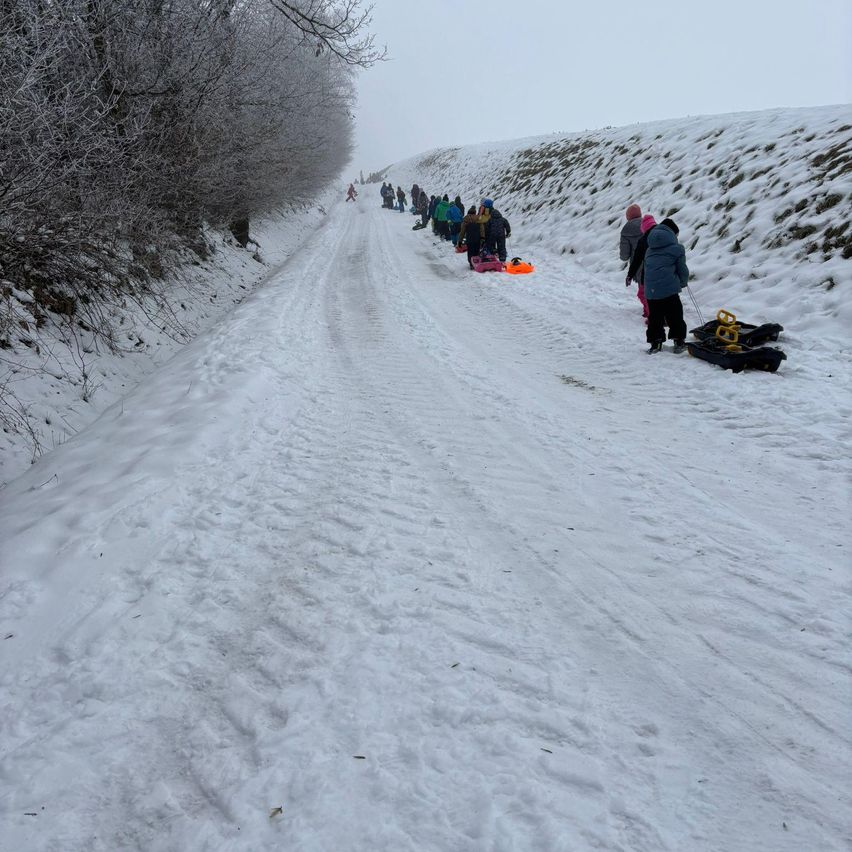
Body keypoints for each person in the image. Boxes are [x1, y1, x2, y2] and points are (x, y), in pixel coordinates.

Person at [644, 218, 689, 353]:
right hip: (669, 289)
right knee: (675, 315)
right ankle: (679, 341)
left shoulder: (649, 250)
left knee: (655, 318)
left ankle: (655, 343)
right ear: (672, 234)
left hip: (651, 291)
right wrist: (682, 282)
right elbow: (682, 269)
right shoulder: (677, 249)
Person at [626, 214, 657, 319]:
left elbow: (637, 260)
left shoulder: (644, 240)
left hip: (649, 272)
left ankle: (653, 316)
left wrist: (630, 275)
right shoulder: (663, 235)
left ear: (644, 227)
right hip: (667, 271)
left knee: (643, 294)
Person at [620, 204, 643, 270]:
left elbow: (624, 256)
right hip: (656, 263)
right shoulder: (649, 223)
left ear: (628, 217)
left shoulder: (626, 230)